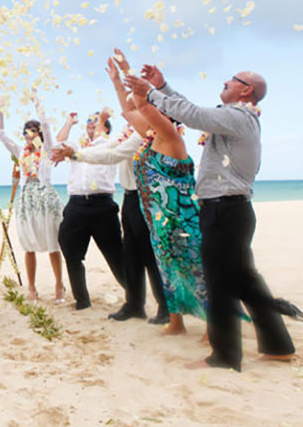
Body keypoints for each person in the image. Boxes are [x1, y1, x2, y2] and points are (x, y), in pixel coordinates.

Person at [125, 66, 296, 371]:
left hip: (224, 210)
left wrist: (150, 93)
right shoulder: (236, 118)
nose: (226, 81)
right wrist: (163, 85)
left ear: (246, 91)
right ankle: (278, 346)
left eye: (233, 80)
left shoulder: (238, 117)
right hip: (229, 210)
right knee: (247, 282)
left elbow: (192, 114)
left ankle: (225, 356)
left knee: (219, 283)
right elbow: (191, 110)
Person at [51, 56, 168, 324]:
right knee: (131, 255)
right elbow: (106, 142)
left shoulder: (146, 133)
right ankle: (135, 305)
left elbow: (113, 154)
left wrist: (76, 155)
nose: (129, 111)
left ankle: (164, 307)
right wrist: (118, 81)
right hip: (128, 198)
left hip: (145, 199)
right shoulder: (130, 131)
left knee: (149, 256)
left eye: (137, 108)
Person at [121, 69, 208, 336]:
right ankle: (176, 323)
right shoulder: (150, 139)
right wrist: (119, 78)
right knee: (168, 271)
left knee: (196, 272)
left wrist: (142, 90)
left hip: (181, 220)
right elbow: (128, 110)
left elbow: (143, 107)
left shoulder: (171, 137)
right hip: (158, 222)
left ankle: (213, 327)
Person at [0, 93, 65, 303]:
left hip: (46, 198)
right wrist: (0, 108)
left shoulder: (47, 149)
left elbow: (47, 126)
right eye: (26, 133)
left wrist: (37, 103)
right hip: (27, 200)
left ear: (39, 134)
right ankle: (32, 288)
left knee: (53, 243)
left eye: (32, 131)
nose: (28, 136)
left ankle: (59, 285)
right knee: (28, 244)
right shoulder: (19, 151)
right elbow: (0, 133)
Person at [53, 109, 126, 310]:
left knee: (115, 254)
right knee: (71, 251)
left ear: (105, 127)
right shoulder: (79, 146)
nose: (91, 124)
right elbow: (58, 143)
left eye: (96, 121)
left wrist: (103, 118)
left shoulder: (110, 144)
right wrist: (69, 122)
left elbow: (107, 142)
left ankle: (133, 294)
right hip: (76, 203)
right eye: (89, 121)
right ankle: (82, 300)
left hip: (102, 204)